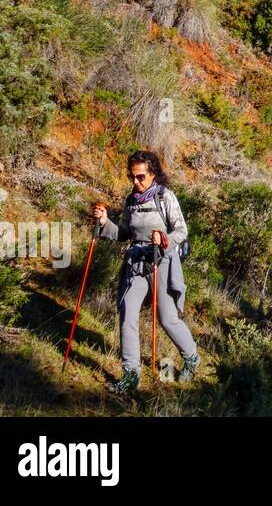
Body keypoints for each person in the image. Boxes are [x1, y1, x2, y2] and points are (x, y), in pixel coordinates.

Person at [93, 150, 200, 395]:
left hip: (162, 262)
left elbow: (181, 230)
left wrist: (163, 239)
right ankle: (131, 374)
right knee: (127, 313)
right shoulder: (131, 200)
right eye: (133, 177)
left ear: (153, 174)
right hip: (136, 262)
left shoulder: (166, 197)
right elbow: (123, 234)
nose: (136, 182)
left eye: (141, 177)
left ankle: (192, 357)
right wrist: (103, 224)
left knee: (167, 319)